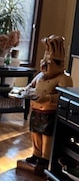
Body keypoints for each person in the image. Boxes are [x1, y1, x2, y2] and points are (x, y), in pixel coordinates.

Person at [17, 35, 73, 172]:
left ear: (59, 64)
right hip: (36, 111)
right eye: (44, 61)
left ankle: (45, 157)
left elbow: (64, 97)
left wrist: (48, 99)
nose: (44, 65)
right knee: (35, 133)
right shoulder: (39, 76)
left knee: (47, 136)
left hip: (50, 113)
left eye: (49, 63)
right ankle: (36, 154)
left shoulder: (63, 79)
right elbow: (30, 86)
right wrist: (23, 91)